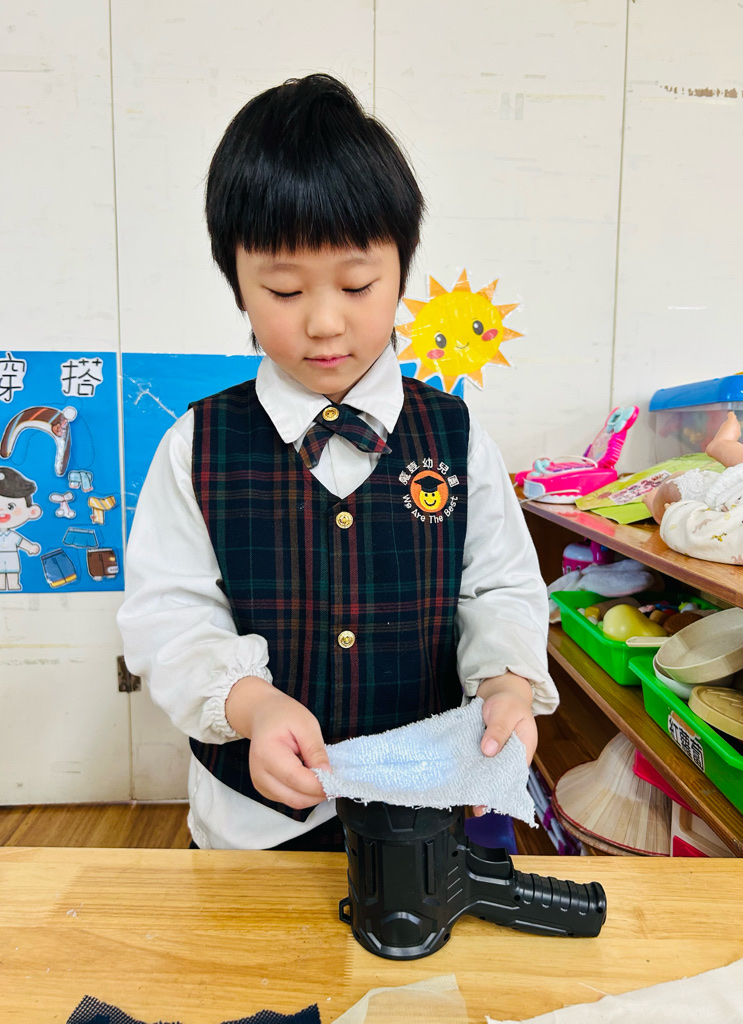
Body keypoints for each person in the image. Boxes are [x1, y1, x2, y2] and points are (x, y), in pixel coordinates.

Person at [117, 74, 558, 850]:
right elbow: (170, 616)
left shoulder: (455, 436)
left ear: (400, 272)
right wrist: (252, 704)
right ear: (238, 286)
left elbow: (500, 586)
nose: (325, 322)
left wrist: (506, 683)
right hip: (253, 824)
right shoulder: (197, 444)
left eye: (357, 285)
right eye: (285, 291)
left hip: (426, 807)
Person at [644, 411, 743, 566]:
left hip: (728, 497)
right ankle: (722, 444)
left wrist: (675, 514)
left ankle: (659, 513)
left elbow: (708, 536)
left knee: (675, 482)